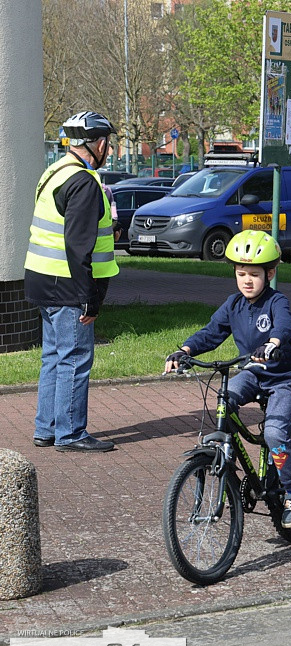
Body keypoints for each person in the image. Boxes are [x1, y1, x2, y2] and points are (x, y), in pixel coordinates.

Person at [164, 230, 291, 528]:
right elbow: (211, 332)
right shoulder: (233, 304)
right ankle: (224, 451)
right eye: (241, 273)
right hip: (253, 374)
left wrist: (272, 345)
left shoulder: (276, 301)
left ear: (269, 273)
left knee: (272, 433)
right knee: (223, 399)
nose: (246, 280)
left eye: (254, 274)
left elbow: (283, 327)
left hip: (282, 380)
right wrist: (185, 351)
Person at [26, 111, 119, 452]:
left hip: (41, 279)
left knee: (53, 355)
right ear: (100, 144)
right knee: (75, 357)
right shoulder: (84, 182)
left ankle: (46, 428)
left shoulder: (54, 172)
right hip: (66, 285)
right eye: (108, 143)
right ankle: (70, 434)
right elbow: (77, 246)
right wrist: (89, 298)